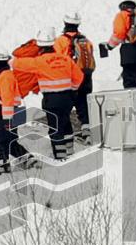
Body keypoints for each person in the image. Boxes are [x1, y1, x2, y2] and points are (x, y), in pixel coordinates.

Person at [12, 28, 84, 160]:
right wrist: (72, 89)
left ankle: (60, 156)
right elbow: (79, 76)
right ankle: (70, 150)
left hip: (52, 99)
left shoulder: (39, 62)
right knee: (66, 122)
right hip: (67, 98)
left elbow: (16, 63)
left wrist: (29, 48)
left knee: (55, 127)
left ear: (40, 46)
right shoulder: (65, 59)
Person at [54, 11, 96, 142]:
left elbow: (57, 60)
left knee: (65, 106)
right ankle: (87, 131)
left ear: (65, 23)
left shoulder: (60, 41)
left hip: (70, 77)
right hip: (86, 76)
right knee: (83, 104)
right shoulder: (86, 40)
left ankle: (66, 136)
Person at [0, 55, 33, 174]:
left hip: (8, 113)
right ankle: (29, 160)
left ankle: (4, 169)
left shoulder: (5, 77)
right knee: (10, 142)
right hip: (13, 112)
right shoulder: (7, 75)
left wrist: (6, 119)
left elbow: (7, 98)